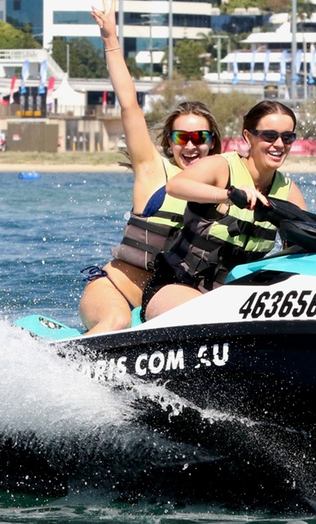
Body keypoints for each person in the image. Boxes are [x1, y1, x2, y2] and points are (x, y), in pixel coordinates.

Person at [80, 0, 222, 335]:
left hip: (163, 306)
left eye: (199, 136)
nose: (190, 145)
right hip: (114, 291)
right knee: (117, 321)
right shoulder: (153, 172)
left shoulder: (223, 191)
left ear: (212, 142)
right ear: (170, 142)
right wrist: (110, 39)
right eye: (181, 137)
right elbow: (129, 104)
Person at [142, 100, 307, 321]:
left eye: (287, 138)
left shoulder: (289, 192)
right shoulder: (222, 167)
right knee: (208, 315)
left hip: (232, 301)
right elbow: (176, 186)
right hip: (175, 285)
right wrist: (229, 195)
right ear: (248, 137)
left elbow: (301, 249)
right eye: (269, 136)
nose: (279, 144)